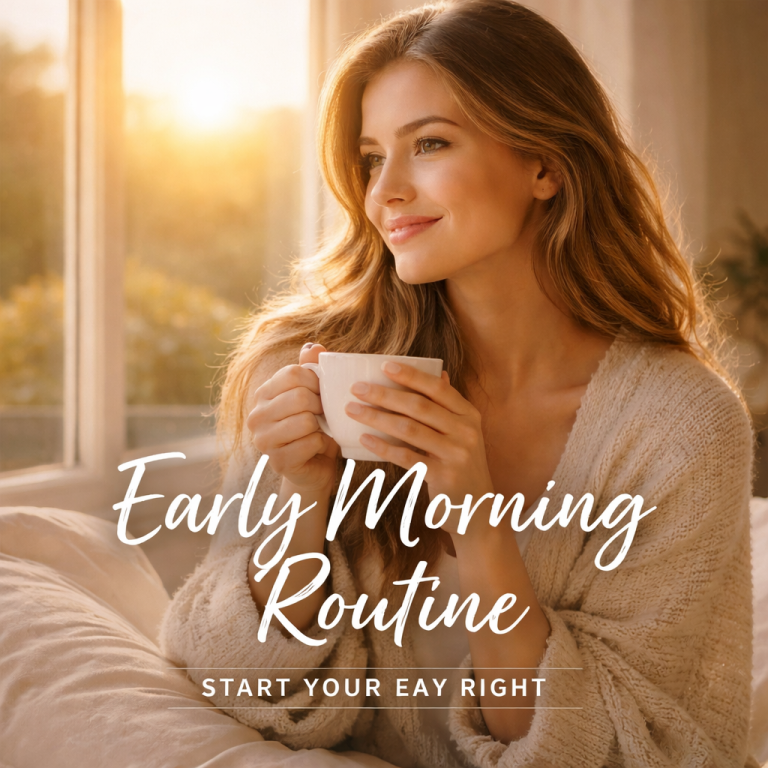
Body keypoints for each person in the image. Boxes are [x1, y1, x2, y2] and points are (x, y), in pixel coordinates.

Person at [160, 1, 756, 766]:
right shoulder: (308, 368)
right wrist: (301, 498)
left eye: (430, 144)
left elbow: (608, 748)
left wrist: (476, 519)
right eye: (372, 159)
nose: (384, 194)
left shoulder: (683, 425)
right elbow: (238, 681)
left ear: (545, 164)